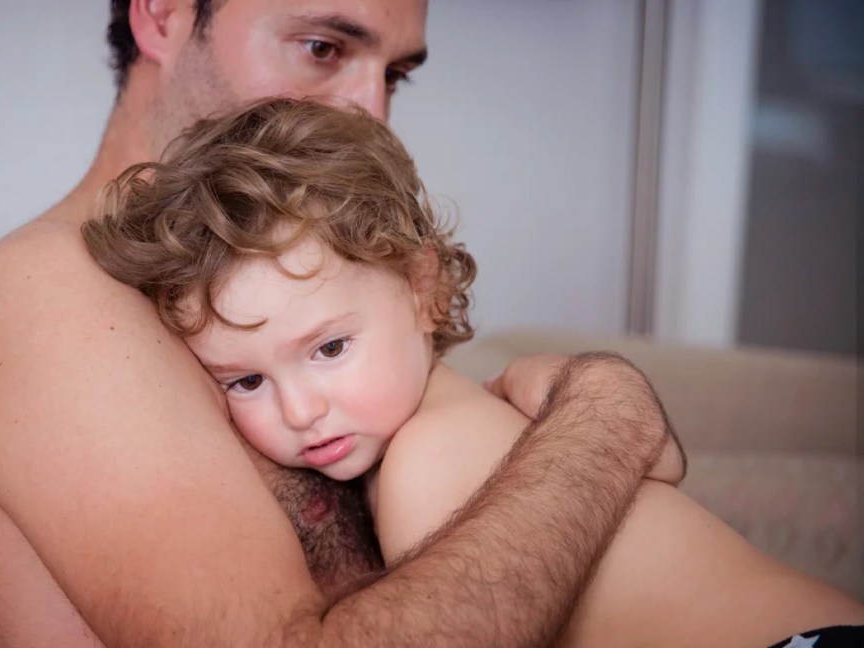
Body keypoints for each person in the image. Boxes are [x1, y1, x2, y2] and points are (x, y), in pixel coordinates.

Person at [0, 1, 685, 645]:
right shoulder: (52, 291)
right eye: (322, 48)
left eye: (393, 74)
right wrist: (604, 414)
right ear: (162, 14)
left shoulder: (301, 278)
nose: (372, 112)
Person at [83, 97, 864, 646]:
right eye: (244, 380)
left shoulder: (428, 458)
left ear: (422, 288)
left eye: (328, 349)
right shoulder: (485, 413)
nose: (299, 410)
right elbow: (664, 454)